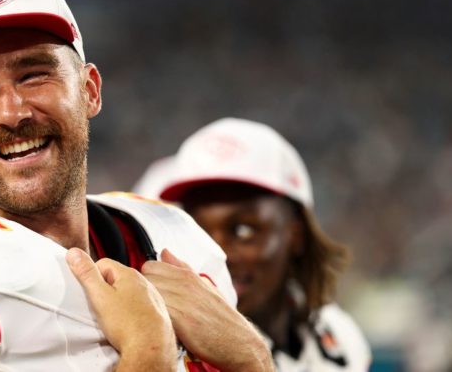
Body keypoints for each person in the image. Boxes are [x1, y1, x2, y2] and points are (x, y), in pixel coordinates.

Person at [0, 0, 273, 372]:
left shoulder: (178, 239)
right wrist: (149, 354)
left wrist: (254, 357)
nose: (12, 112)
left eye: (35, 75)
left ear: (90, 91)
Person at [139, 117, 372, 371]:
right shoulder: (164, 353)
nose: (216, 253)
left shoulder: (340, 336)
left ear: (296, 235)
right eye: (196, 230)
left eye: (243, 230)